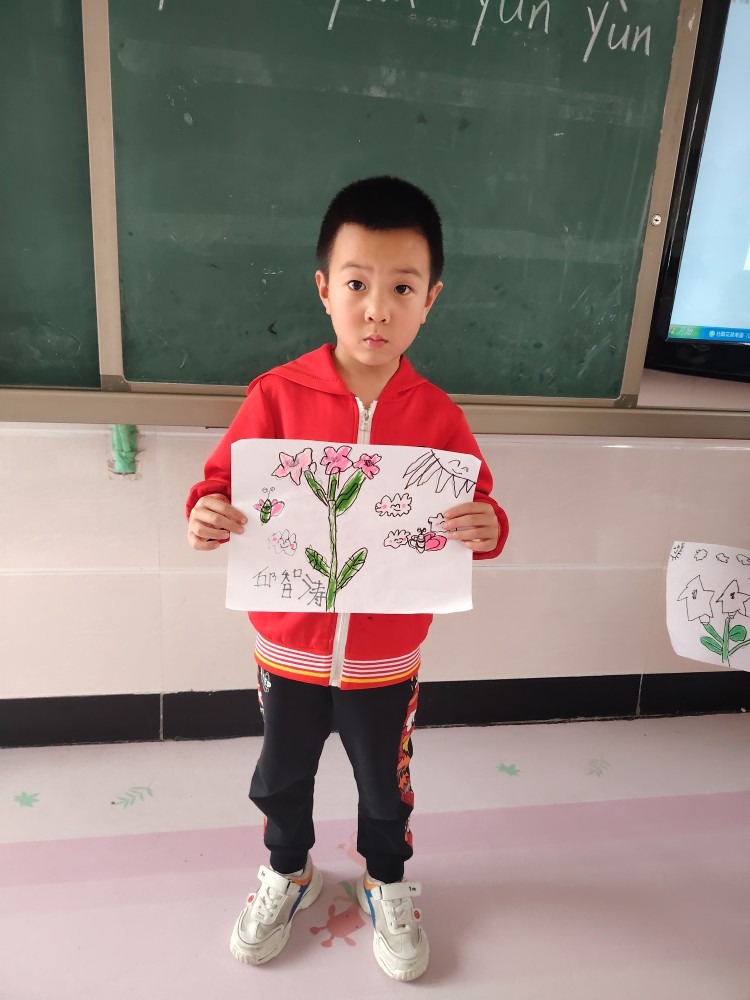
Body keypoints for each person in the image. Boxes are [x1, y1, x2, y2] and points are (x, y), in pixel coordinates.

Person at [186, 176, 509, 982]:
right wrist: (207, 511)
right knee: (281, 775)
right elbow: (219, 484)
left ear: (430, 299)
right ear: (325, 289)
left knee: (385, 787)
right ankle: (288, 870)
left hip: (384, 660)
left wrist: (488, 528)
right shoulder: (276, 396)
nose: (377, 310)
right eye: (358, 284)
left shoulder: (439, 418)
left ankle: (385, 881)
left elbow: (479, 506)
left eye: (402, 288)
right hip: (288, 649)